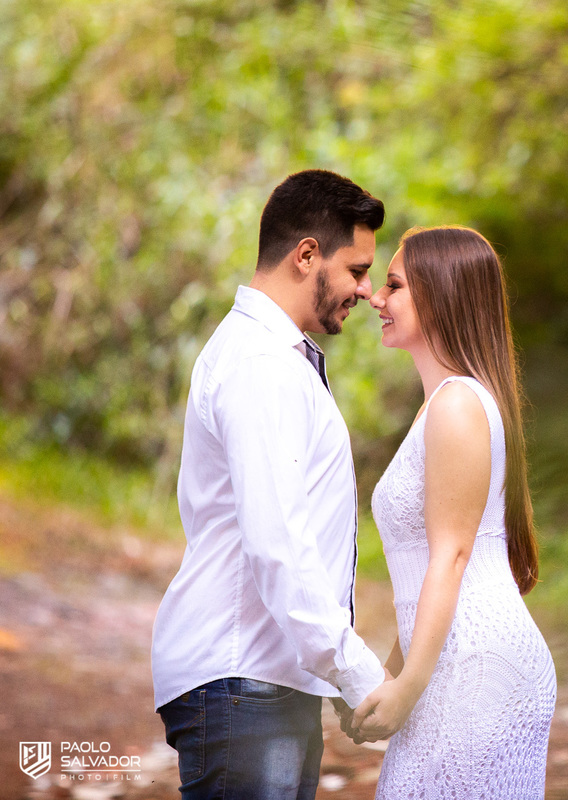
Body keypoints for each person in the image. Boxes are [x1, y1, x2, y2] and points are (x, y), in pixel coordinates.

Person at [151, 169, 389, 800]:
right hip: (244, 681)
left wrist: (331, 676)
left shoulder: (271, 357)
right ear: (306, 255)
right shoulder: (261, 363)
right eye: (357, 270)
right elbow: (278, 542)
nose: (366, 291)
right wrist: (357, 674)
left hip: (261, 680)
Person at [350, 226, 557, 799]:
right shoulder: (441, 405)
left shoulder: (458, 404)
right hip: (450, 661)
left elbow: (452, 556)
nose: (376, 298)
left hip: (476, 667)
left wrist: (406, 688)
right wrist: (391, 676)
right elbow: (423, 573)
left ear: (440, 295)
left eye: (394, 286)